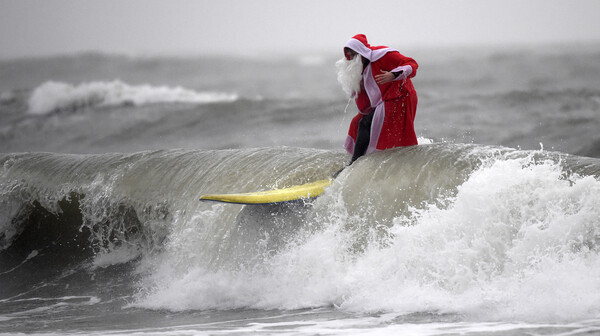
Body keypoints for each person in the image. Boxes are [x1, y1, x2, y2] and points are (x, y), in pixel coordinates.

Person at [336, 34, 419, 164]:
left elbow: (412, 64)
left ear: (361, 51)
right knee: (358, 123)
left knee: (366, 124)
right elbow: (365, 93)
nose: (351, 58)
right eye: (349, 55)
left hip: (401, 97)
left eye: (354, 54)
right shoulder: (360, 66)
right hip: (384, 101)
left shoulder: (383, 55)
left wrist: (393, 74)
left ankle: (353, 164)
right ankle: (365, 160)